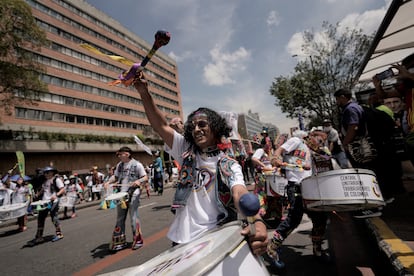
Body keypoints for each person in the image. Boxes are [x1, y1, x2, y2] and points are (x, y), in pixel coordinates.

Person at [133, 72, 268, 256]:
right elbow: (160, 125)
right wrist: (144, 92)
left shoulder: (228, 164)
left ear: (215, 128)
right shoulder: (185, 151)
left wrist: (257, 221)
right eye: (193, 126)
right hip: (180, 239)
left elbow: (239, 192)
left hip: (215, 238)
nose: (197, 129)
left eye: (203, 124)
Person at [266, 130, 330, 268]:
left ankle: (317, 250)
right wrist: (276, 158)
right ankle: (272, 248)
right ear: (311, 136)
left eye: (323, 143)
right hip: (295, 187)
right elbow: (278, 152)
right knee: (293, 219)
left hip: (310, 187)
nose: (320, 144)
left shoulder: (314, 152)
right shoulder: (296, 141)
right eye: (319, 141)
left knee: (320, 217)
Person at [103, 146, 148, 251]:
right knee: (120, 218)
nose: (119, 156)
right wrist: (108, 182)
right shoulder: (120, 165)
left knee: (133, 217)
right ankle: (120, 241)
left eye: (120, 154)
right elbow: (116, 176)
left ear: (127, 154)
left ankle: (138, 239)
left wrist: (138, 181)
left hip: (133, 193)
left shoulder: (137, 164)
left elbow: (145, 177)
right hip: (121, 194)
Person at [27, 166, 65, 246]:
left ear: (52, 172)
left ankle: (59, 234)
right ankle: (39, 236)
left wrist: (56, 195)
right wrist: (37, 194)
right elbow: (43, 189)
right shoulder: (45, 181)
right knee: (40, 218)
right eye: (45, 173)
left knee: (54, 217)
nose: (46, 174)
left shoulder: (56, 180)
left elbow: (62, 189)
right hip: (45, 202)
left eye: (47, 172)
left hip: (53, 201)